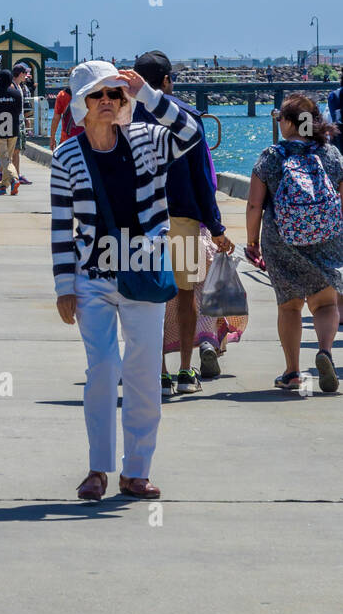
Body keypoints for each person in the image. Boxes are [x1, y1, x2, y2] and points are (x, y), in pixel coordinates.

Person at [51, 60, 202, 502]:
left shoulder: (148, 139)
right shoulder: (66, 156)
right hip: (93, 277)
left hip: (143, 272)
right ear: (82, 103)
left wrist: (151, 97)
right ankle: (99, 468)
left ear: (124, 101)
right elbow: (62, 225)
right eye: (97, 95)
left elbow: (192, 134)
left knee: (141, 372)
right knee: (102, 369)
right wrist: (64, 285)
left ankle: (136, 470)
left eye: (115, 95)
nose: (107, 102)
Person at [132, 50, 236, 395]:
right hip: (183, 217)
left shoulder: (122, 117)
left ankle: (158, 371)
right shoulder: (188, 117)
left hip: (139, 221)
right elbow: (203, 177)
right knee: (186, 293)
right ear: (165, 81)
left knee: (149, 298)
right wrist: (215, 225)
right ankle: (186, 371)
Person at [246, 93, 343, 393]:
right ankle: (325, 351)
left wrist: (252, 242)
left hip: (281, 241)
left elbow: (254, 206)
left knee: (289, 307)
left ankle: (293, 372)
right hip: (326, 239)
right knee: (325, 302)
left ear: (288, 123)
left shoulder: (271, 156)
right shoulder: (332, 155)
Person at [0, 71, 25, 195]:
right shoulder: (16, 94)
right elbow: (18, 111)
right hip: (13, 130)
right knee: (8, 158)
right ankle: (3, 186)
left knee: (4, 158)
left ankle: (14, 179)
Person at [50, 85, 84, 150]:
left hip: (66, 141)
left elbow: (56, 118)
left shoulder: (62, 95)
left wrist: (52, 138)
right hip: (85, 140)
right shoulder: (89, 94)